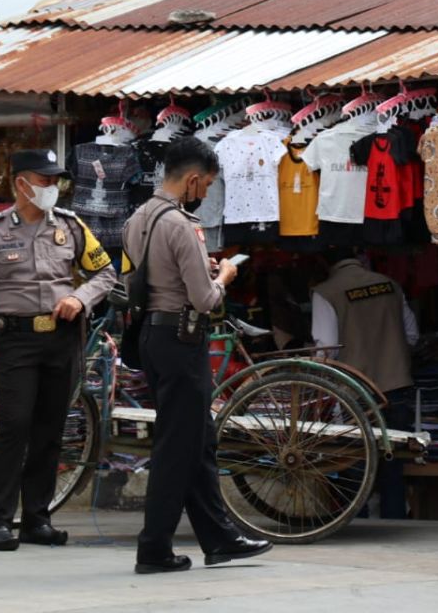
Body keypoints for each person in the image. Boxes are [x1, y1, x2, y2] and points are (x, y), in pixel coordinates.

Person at [122, 137, 271, 575]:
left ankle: (219, 537)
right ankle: (154, 548)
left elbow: (144, 279)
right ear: (191, 180)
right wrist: (223, 276)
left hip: (152, 336)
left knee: (197, 440)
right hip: (181, 340)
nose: (205, 192)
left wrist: (198, 273)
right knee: (176, 447)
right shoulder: (182, 225)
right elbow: (205, 300)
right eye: (205, 184)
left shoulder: (137, 219)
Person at [0, 148, 117, 551]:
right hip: (15, 340)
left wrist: (80, 298)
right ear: (21, 183)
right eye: (45, 180)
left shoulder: (71, 225)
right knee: (13, 425)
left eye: (55, 181)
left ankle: (37, 519)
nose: (53, 187)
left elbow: (106, 272)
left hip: (61, 339)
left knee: (50, 429)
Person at [311, 247, 419, 518]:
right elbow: (412, 335)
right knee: (394, 462)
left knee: (356, 465)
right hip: (397, 385)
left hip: (355, 392)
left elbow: (326, 350)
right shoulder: (389, 284)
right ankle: (394, 520)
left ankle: (359, 525)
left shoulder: (326, 292)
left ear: (323, 261)